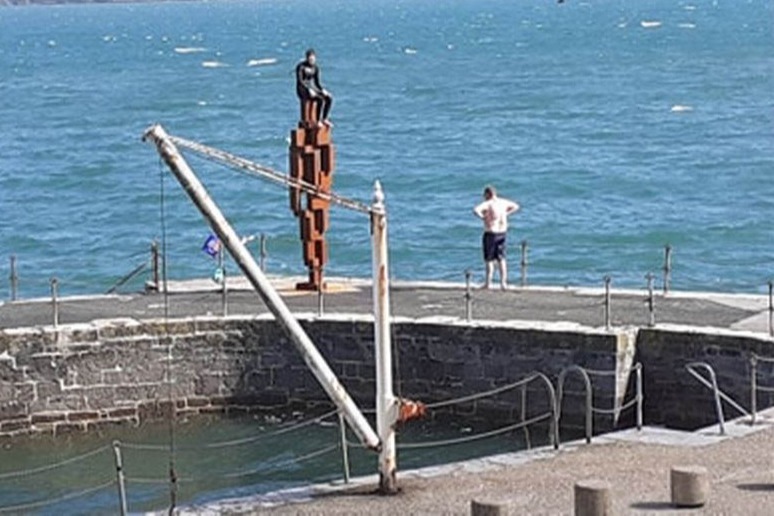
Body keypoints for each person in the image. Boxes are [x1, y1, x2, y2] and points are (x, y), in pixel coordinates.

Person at [473, 186, 520, 289]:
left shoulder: (488, 203)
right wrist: (506, 213)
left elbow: (476, 210)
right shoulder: (503, 202)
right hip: (502, 232)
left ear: (487, 194)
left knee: (489, 260)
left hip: (491, 232)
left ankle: (488, 283)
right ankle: (503, 283)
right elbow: (516, 206)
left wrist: (483, 217)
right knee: (501, 258)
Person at [295, 48, 333, 127]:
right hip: (302, 90)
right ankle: (317, 121)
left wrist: (322, 90)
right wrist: (308, 89)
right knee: (320, 99)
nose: (312, 60)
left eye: (313, 59)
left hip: (312, 88)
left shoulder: (315, 68)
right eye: (310, 59)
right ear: (307, 58)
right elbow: (300, 81)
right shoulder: (301, 67)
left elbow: (317, 83)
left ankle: (324, 118)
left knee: (329, 98)